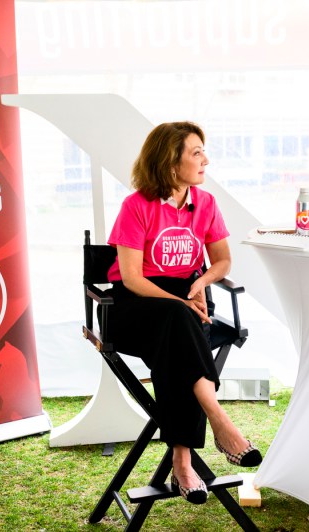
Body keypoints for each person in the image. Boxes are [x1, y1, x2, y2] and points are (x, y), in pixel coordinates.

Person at [102, 121, 261, 504]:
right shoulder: (136, 206)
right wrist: (180, 301)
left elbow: (222, 260)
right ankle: (220, 421)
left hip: (186, 303)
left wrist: (201, 282)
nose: (206, 159)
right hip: (132, 307)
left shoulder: (204, 204)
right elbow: (132, 278)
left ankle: (183, 462)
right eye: (196, 152)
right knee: (179, 324)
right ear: (171, 163)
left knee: (174, 352)